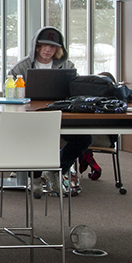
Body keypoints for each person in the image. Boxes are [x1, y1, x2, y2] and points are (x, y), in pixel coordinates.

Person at [8, 26, 89, 197]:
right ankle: (35, 177)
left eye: (52, 47)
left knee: (84, 138)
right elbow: (10, 94)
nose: (48, 50)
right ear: (36, 46)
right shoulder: (20, 68)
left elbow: (75, 91)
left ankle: (55, 169)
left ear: (58, 49)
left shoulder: (68, 66)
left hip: (61, 116)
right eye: (44, 45)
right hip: (30, 118)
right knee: (37, 137)